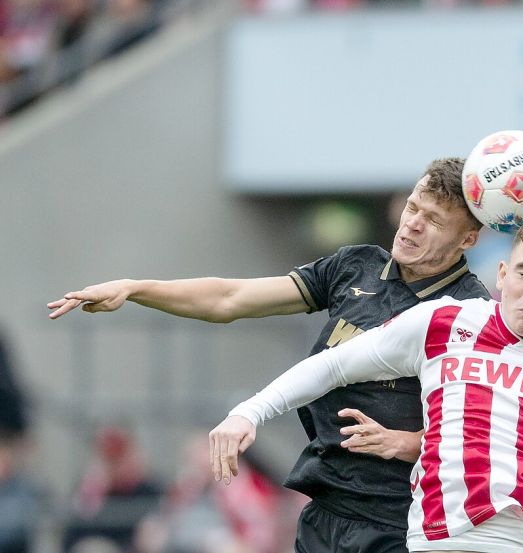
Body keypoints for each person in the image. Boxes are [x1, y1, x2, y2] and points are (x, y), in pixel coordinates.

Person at [47, 157, 491, 553]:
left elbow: (489, 438)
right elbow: (229, 298)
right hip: (327, 507)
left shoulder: (474, 313)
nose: (413, 223)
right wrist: (136, 289)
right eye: (413, 207)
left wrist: (409, 443)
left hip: (406, 519)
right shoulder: (357, 266)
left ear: (468, 238)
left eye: (433, 220)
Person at [210, 216, 523, 553]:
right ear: (501, 273)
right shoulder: (445, 323)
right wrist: (249, 412)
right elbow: (333, 366)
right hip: (434, 543)